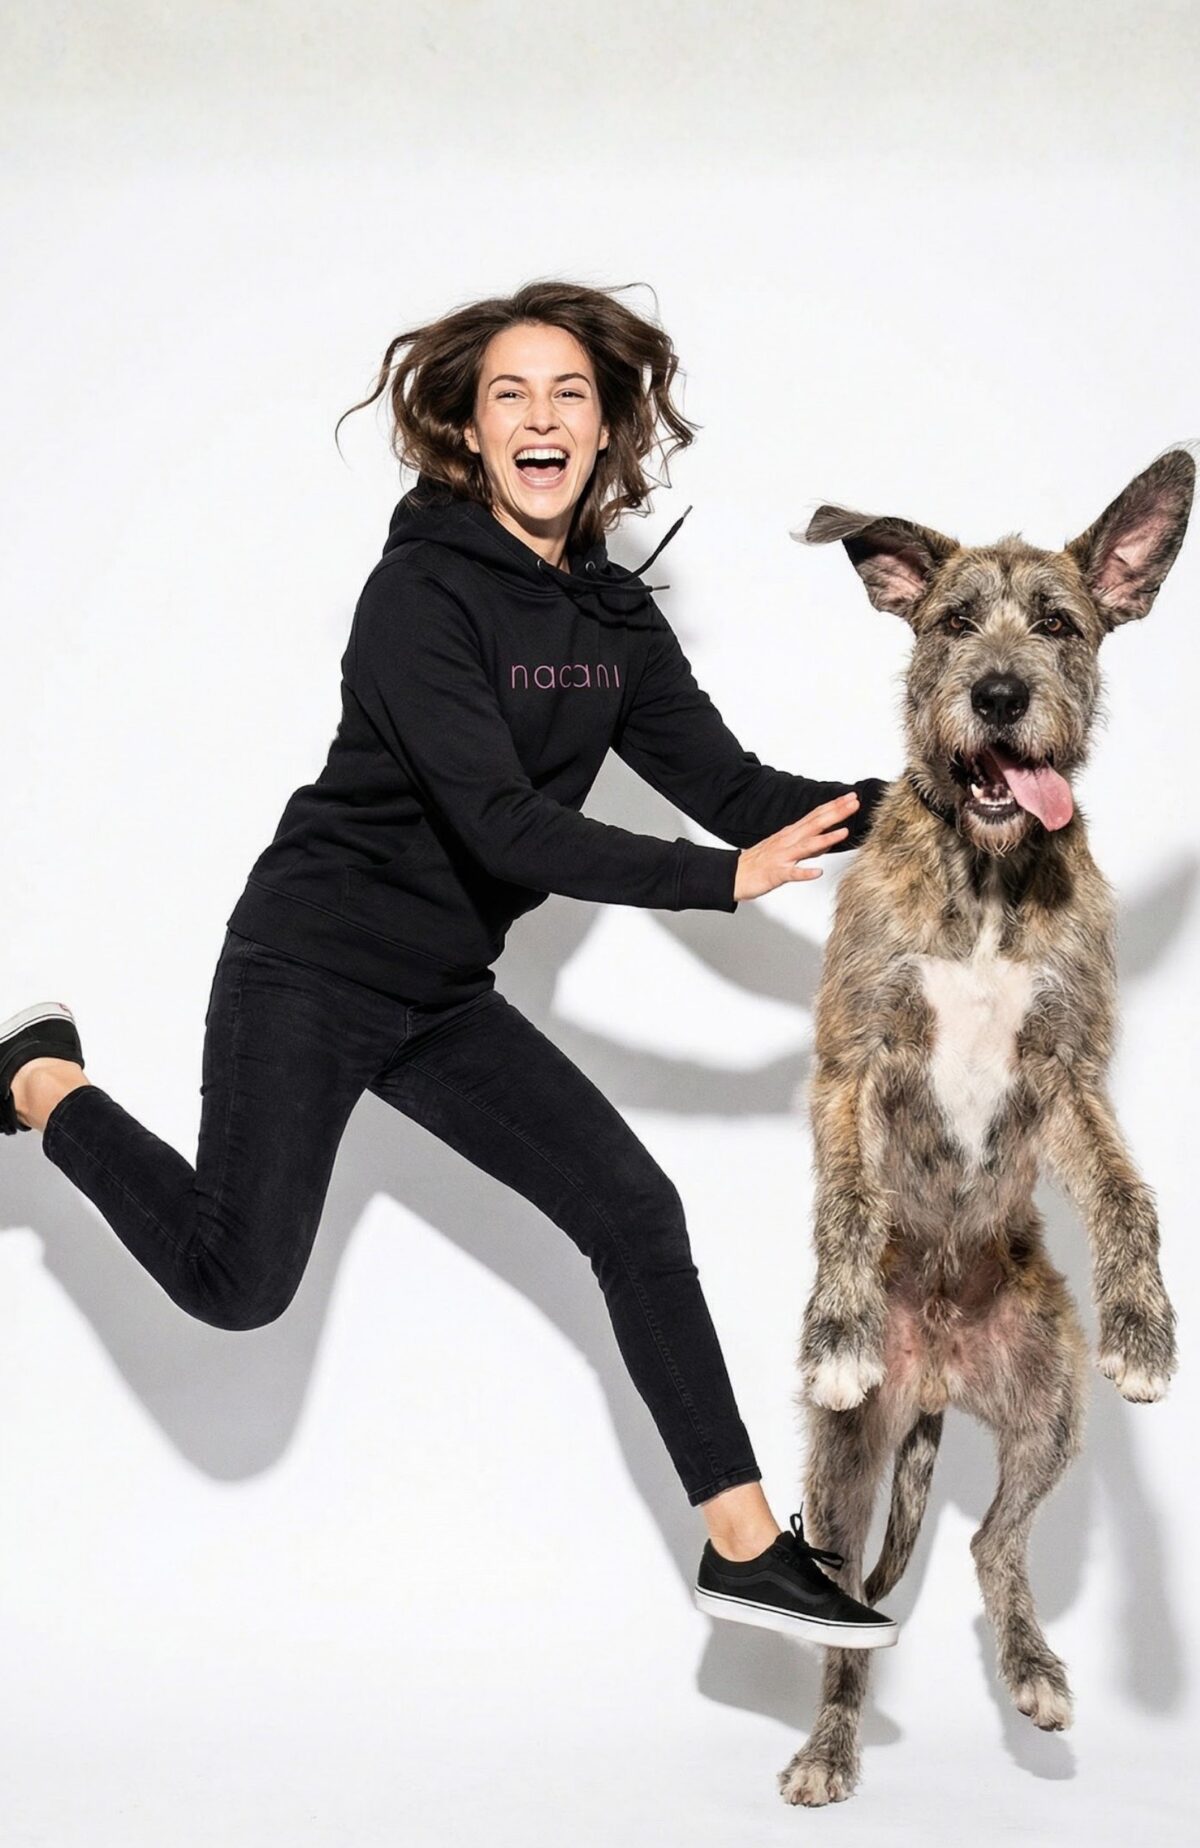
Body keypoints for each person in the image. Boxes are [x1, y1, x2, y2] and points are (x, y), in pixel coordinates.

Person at [1, 279, 897, 1650]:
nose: (541, 417)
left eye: (569, 395)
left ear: (606, 429)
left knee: (633, 1211)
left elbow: (736, 790)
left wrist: (931, 804)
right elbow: (503, 823)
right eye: (509, 395)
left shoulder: (612, 624)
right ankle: (39, 1079)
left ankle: (745, 1552)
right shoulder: (416, 594)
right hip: (309, 964)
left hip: (439, 999)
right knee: (236, 1286)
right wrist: (717, 881)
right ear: (472, 432)